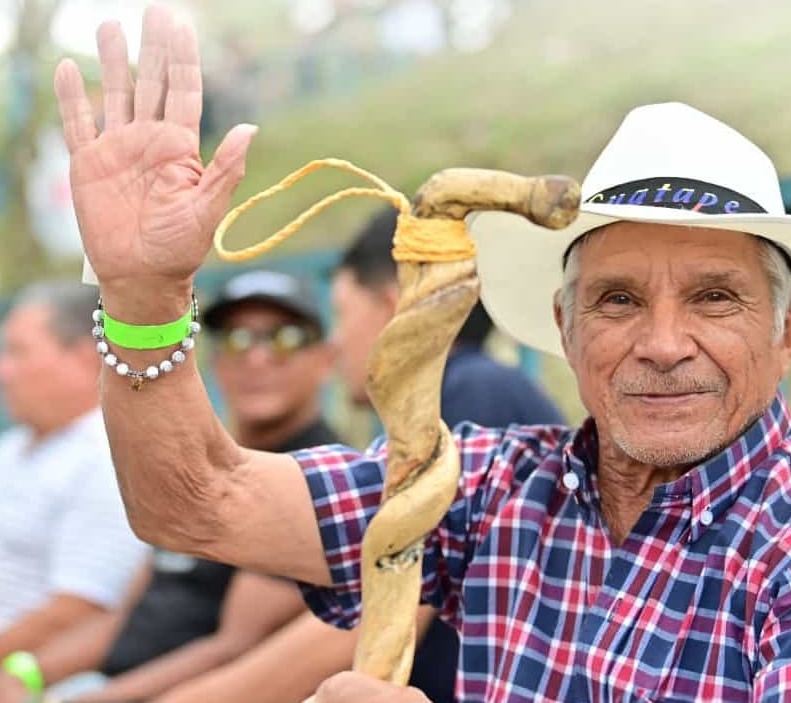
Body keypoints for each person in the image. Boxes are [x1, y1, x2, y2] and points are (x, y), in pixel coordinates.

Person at [52, 6, 791, 702]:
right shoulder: (489, 488)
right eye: (617, 300)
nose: (661, 343)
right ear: (566, 330)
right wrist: (142, 296)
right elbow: (198, 503)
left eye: (714, 297)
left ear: (789, 326)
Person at [153, 210, 564, 703]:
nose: (338, 341)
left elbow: (392, 603)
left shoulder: (474, 394)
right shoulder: (463, 395)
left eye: (342, 313)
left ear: (395, 307)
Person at [0, 271, 340, 703]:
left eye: (285, 338)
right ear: (213, 361)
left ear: (326, 359)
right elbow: (126, 615)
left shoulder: (316, 476)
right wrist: (24, 675)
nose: (256, 358)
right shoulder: (199, 463)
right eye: (236, 339)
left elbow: (236, 647)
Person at [0, 282, 146, 684]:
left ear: (84, 359)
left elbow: (77, 614)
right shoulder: (8, 447)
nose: (0, 371)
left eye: (18, 352)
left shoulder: (107, 457)